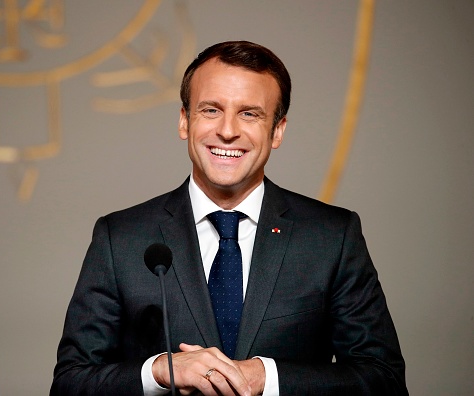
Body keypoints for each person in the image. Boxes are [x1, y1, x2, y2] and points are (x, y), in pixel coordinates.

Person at [51, 41, 407, 395]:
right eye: (210, 110)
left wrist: (266, 376)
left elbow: (383, 379)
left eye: (249, 114)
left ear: (278, 131)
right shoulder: (120, 238)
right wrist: (158, 372)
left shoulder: (332, 237)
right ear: (183, 121)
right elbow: (70, 383)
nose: (227, 130)